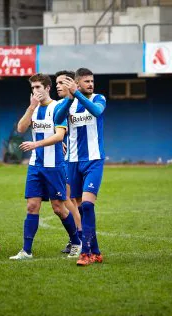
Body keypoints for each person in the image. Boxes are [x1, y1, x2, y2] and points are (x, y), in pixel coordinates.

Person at [9, 73, 81, 260]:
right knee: (32, 206)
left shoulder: (57, 107)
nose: (35, 91)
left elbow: (59, 136)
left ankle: (76, 242)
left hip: (54, 165)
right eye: (32, 88)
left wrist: (35, 145)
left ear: (48, 88)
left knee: (58, 208)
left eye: (38, 87)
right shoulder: (33, 108)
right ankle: (26, 251)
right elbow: (21, 129)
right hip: (35, 165)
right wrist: (31, 106)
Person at [54, 68, 107, 266]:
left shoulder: (98, 98)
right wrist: (69, 98)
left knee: (87, 205)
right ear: (77, 82)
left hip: (94, 160)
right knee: (81, 209)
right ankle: (96, 251)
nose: (91, 84)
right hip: (72, 162)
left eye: (92, 81)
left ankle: (85, 253)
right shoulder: (67, 103)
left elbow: (97, 112)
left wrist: (76, 93)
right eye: (86, 81)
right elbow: (57, 119)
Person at [54, 70, 83, 254]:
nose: (57, 85)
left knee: (69, 199)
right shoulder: (60, 105)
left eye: (61, 82)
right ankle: (77, 238)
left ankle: (78, 239)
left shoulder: (79, 104)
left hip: (76, 159)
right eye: (56, 83)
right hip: (65, 157)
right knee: (69, 199)